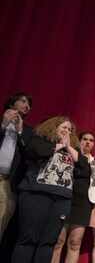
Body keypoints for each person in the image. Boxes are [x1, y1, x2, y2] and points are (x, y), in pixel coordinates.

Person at [11, 116, 82, 263]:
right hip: (36, 194)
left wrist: (68, 147)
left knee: (48, 242)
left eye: (70, 129)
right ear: (53, 127)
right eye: (63, 127)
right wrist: (58, 146)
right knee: (28, 239)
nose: (67, 131)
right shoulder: (40, 140)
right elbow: (34, 152)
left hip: (62, 199)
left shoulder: (72, 149)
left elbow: (84, 169)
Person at [51, 132, 95, 263]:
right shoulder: (68, 154)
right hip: (65, 199)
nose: (88, 142)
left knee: (75, 242)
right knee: (58, 241)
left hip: (83, 204)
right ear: (79, 141)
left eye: (91, 140)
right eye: (85, 139)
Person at [0, 92, 33, 241]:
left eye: (29, 105)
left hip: (8, 182)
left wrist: (20, 132)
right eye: (23, 101)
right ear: (13, 102)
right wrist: (3, 126)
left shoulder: (28, 131)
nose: (27, 106)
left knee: (2, 221)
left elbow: (29, 157)